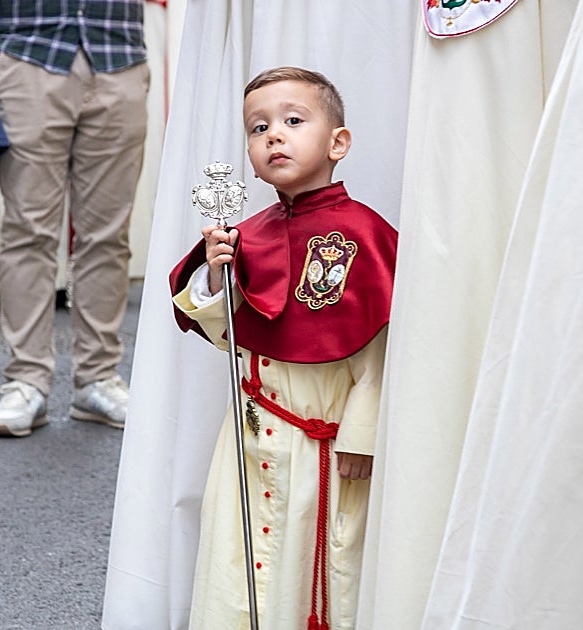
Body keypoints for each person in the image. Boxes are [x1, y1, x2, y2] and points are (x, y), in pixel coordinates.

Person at [169, 67, 398, 630]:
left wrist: (362, 435)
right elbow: (231, 334)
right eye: (258, 127)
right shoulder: (247, 235)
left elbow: (380, 349)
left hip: (323, 442)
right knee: (237, 558)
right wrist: (217, 275)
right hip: (250, 431)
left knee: (315, 562)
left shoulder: (364, 234)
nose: (274, 135)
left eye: (294, 121)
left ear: (338, 143)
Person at [0, 0, 149, 436]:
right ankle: (26, 380)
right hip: (30, 50)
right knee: (27, 231)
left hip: (118, 51)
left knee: (108, 234)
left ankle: (97, 377)